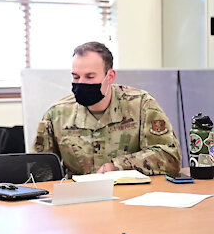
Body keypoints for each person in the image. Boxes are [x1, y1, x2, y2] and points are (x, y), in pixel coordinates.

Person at [33, 41, 181, 176]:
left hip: (130, 195)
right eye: (76, 77)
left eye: (90, 77)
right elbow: (39, 168)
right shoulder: (57, 114)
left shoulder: (140, 105)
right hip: (79, 197)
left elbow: (169, 156)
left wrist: (117, 166)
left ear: (110, 77)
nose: (81, 83)